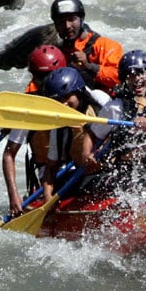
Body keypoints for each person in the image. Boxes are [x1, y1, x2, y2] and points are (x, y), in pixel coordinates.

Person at [79, 50, 146, 195]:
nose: (136, 79)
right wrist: (87, 154)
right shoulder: (115, 107)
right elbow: (92, 134)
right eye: (131, 75)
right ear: (125, 79)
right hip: (126, 168)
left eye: (141, 73)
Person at [2, 45, 67, 217]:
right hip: (49, 174)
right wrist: (13, 195)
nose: (45, 83)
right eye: (39, 78)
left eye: (49, 77)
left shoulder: (77, 95)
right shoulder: (29, 110)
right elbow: (9, 154)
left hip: (77, 166)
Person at [40, 67, 111, 204]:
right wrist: (47, 195)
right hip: (84, 173)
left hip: (109, 169)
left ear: (78, 91)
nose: (64, 104)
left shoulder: (99, 100)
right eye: (59, 101)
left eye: (67, 98)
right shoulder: (59, 125)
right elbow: (51, 166)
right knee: (66, 184)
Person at [50, 0, 123, 95]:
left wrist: (88, 66)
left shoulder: (106, 45)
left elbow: (120, 77)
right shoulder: (55, 53)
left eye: (71, 19)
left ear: (81, 19)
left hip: (104, 103)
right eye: (61, 21)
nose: (67, 26)